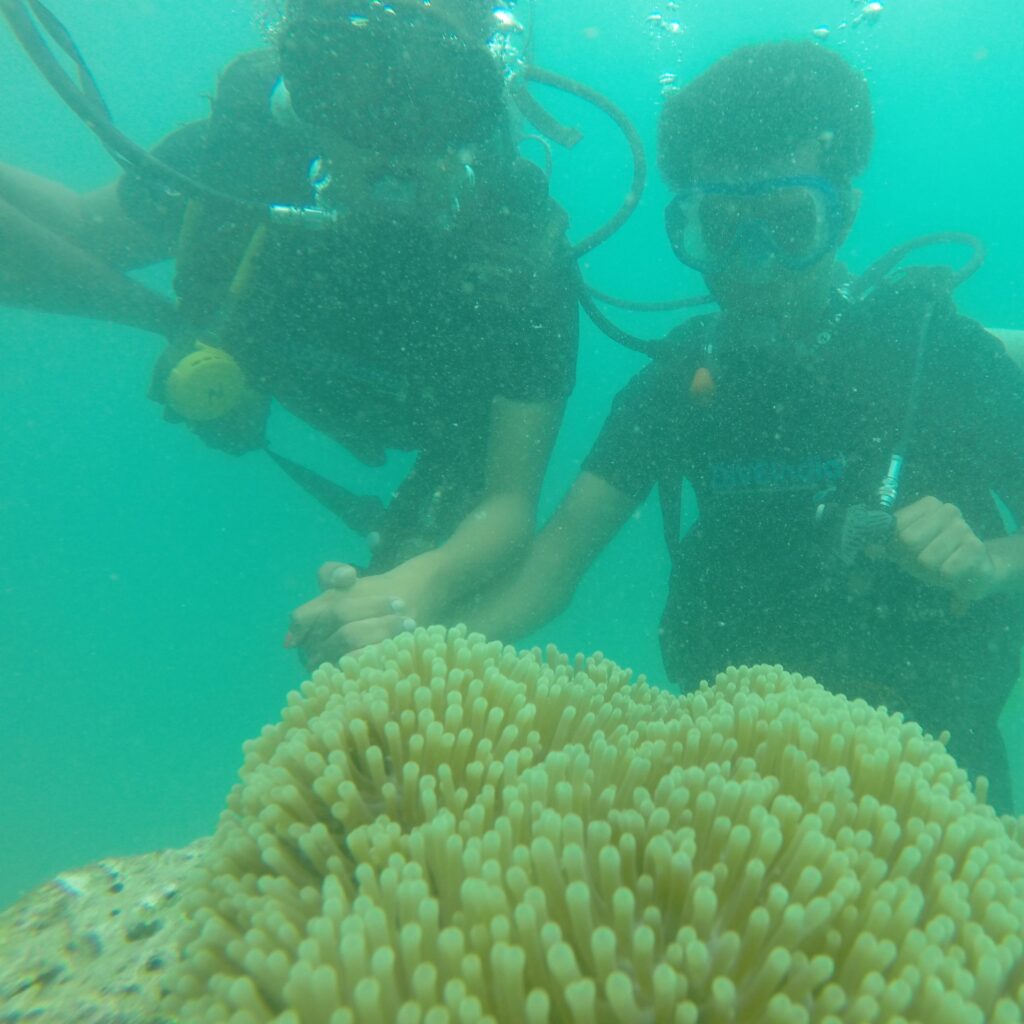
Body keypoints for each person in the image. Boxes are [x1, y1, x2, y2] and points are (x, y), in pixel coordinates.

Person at [438, 40, 1024, 811]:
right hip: (730, 795)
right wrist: (412, 651)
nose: (754, 263)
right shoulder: (673, 388)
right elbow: (554, 564)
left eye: (787, 224)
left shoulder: (938, 354)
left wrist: (987, 559)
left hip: (941, 782)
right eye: (721, 228)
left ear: (842, 213)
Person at [1, 0, 580, 659]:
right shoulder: (244, 163)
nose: (388, 138)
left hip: (444, 448)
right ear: (297, 89)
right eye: (346, 83)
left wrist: (420, 583)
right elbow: (79, 227)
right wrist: (164, 322)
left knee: (444, 602)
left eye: (433, 89)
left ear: (483, 91)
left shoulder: (517, 248)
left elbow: (507, 501)